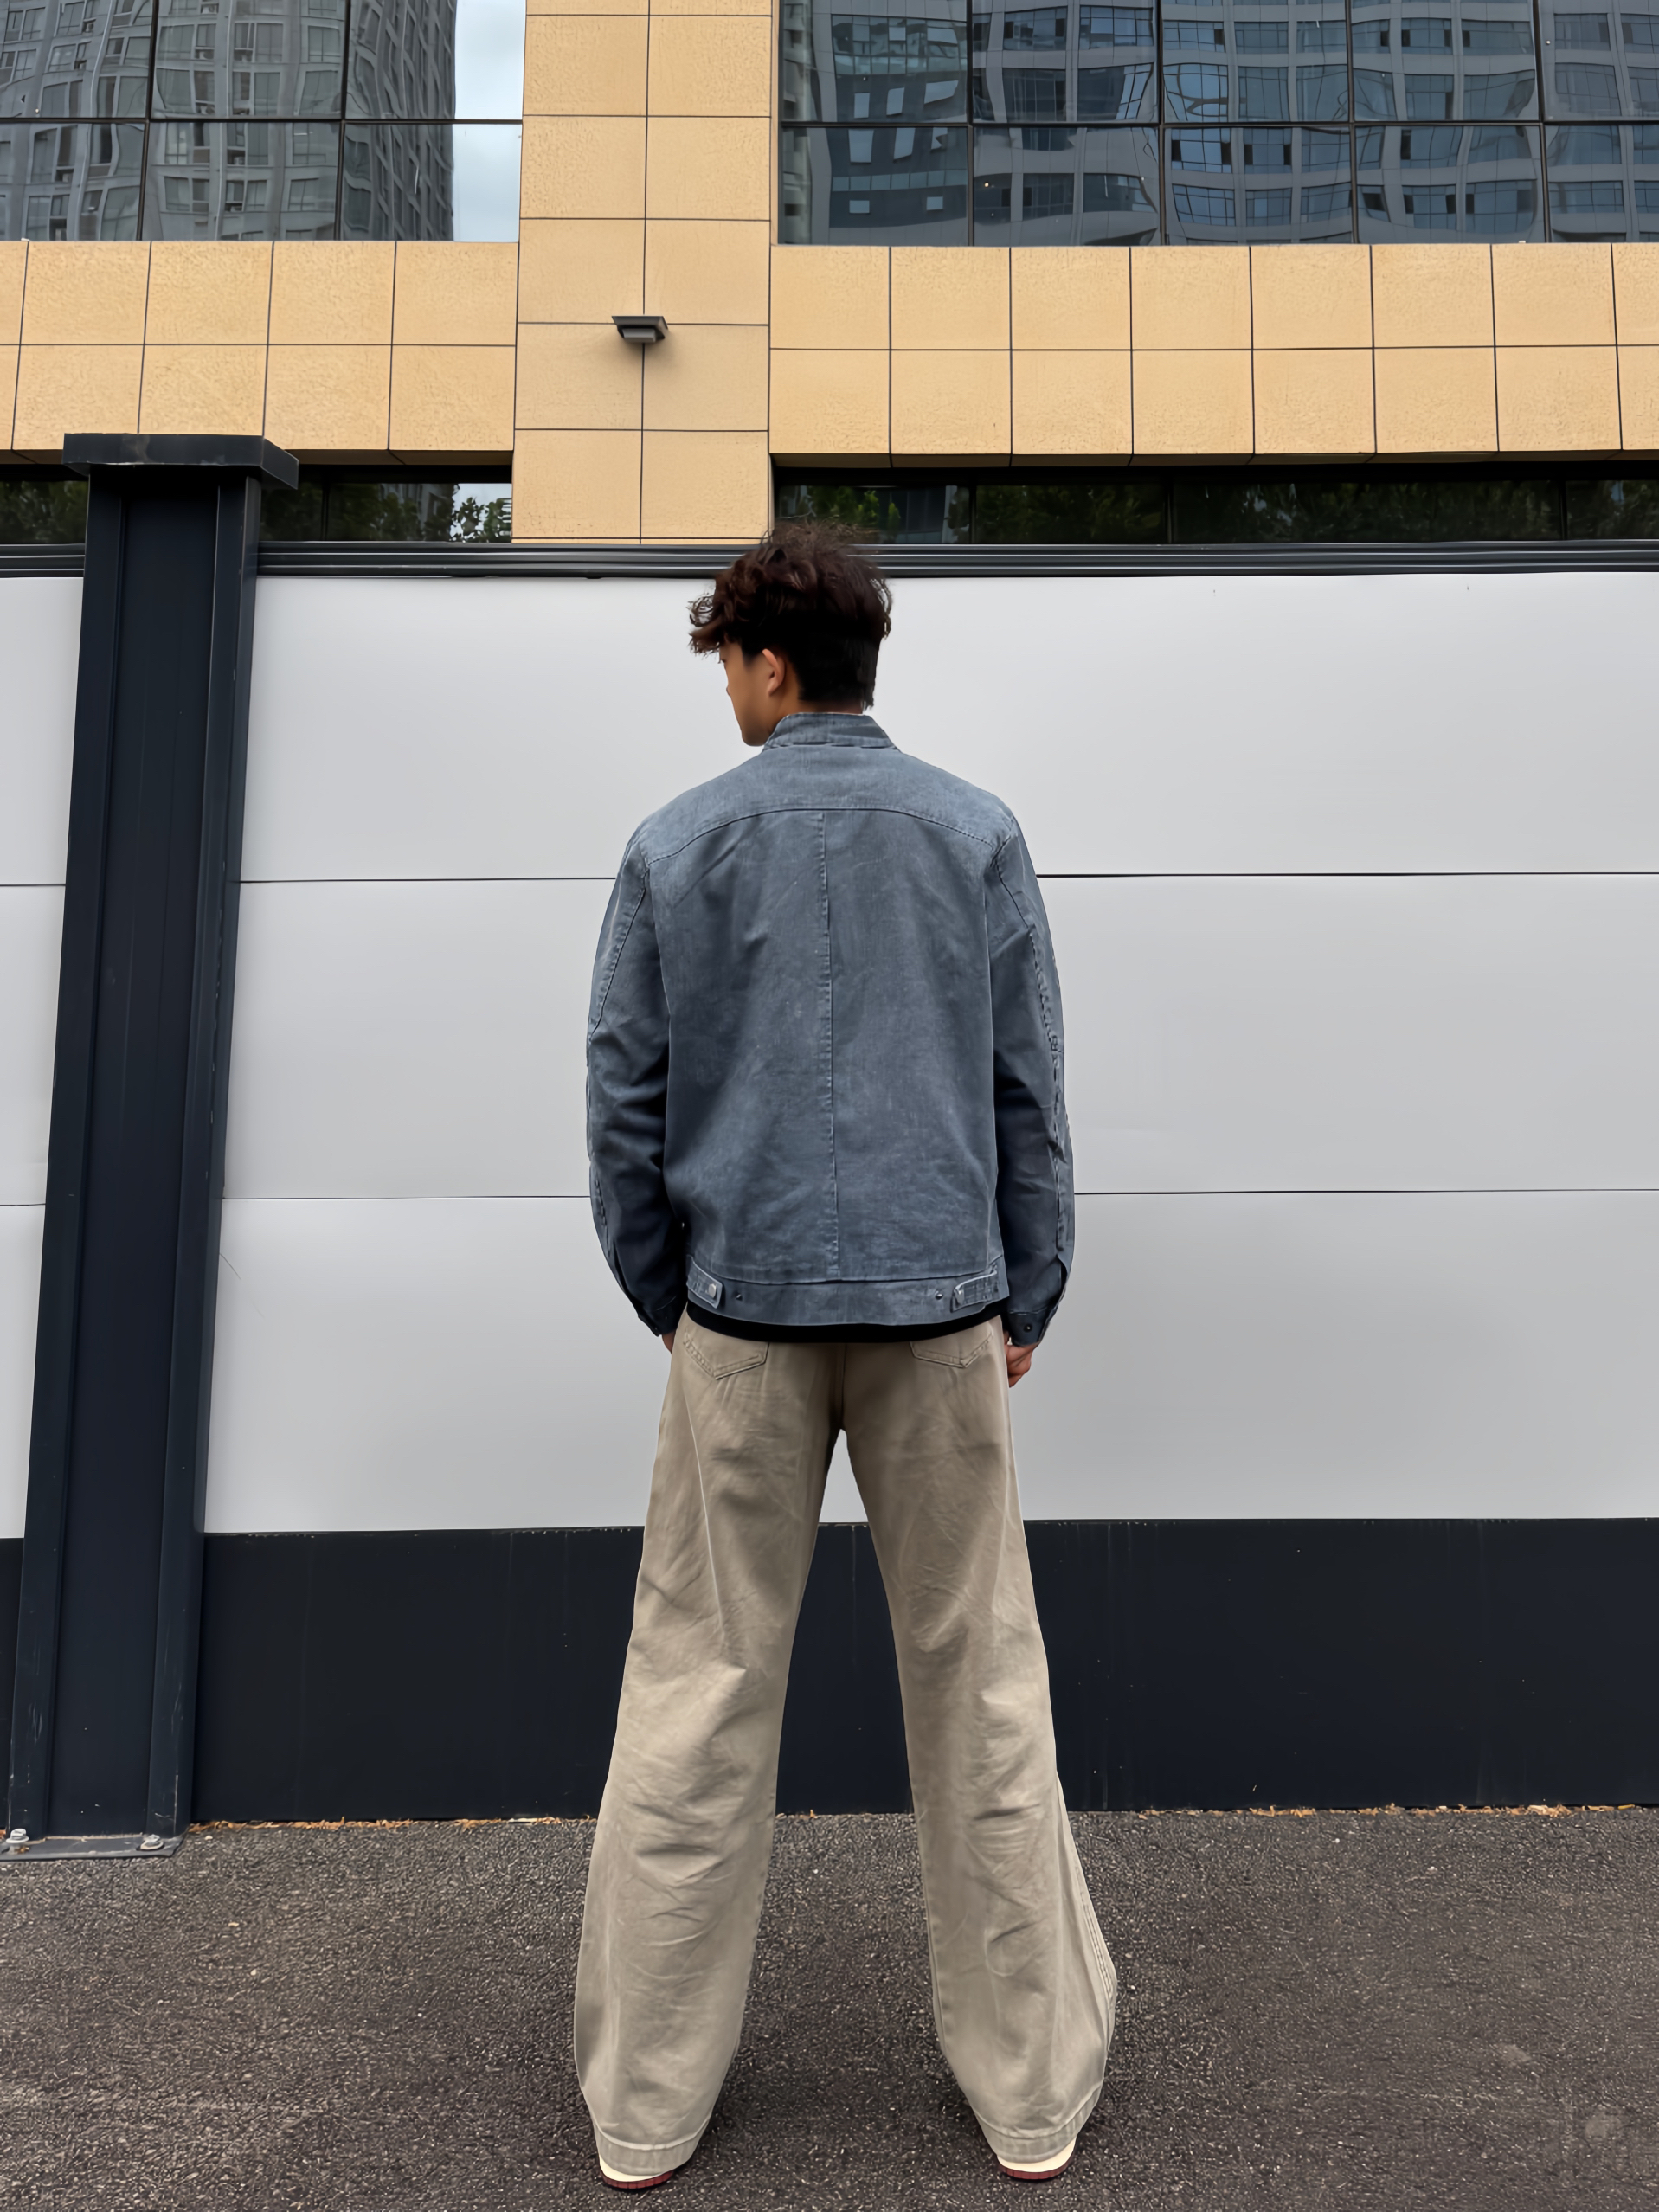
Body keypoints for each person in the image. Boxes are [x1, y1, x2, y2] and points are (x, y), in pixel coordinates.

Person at [576, 522, 1116, 2190]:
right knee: (982, 1691)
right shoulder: (974, 834)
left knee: (695, 1696)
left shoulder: (675, 845)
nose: (729, 694)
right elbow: (1027, 1086)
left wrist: (671, 1294)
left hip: (737, 1323)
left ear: (767, 663)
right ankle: (1031, 2099)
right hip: (939, 1317)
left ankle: (643, 2109)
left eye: (729, 668)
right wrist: (1026, 1292)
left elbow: (623, 1098)